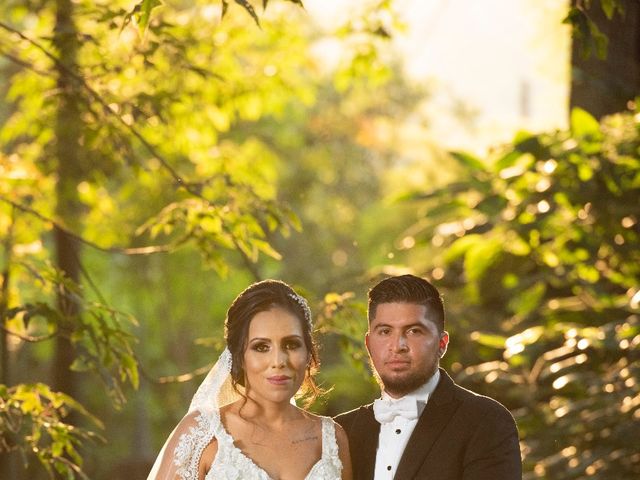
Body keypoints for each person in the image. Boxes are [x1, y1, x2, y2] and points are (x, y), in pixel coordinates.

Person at [148, 279, 353, 480]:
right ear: (239, 356)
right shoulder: (202, 433)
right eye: (261, 347)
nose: (278, 361)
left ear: (308, 352)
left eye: (291, 344)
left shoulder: (332, 439)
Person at [335, 274, 521, 480]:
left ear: (442, 344)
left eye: (414, 331)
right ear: (369, 344)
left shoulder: (486, 420)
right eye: (385, 331)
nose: (397, 346)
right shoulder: (339, 431)